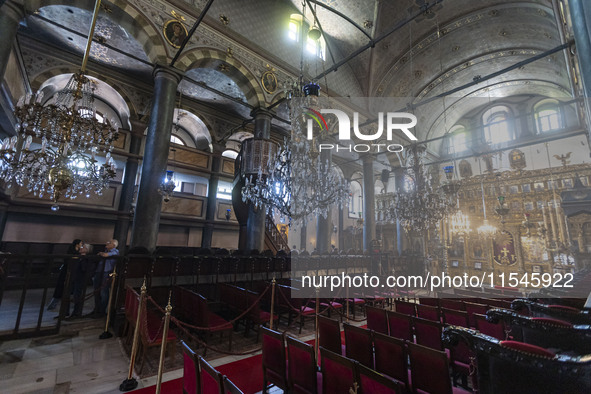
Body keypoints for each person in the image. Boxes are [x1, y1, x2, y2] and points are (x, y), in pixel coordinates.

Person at [47, 239, 82, 311]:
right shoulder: (73, 253)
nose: (82, 245)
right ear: (77, 244)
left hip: (72, 273)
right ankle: (58, 307)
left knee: (68, 290)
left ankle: (65, 308)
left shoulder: (77, 253)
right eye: (81, 243)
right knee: (62, 289)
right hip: (67, 272)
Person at [88, 239, 119, 318]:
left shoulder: (115, 252)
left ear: (114, 245)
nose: (107, 243)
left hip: (106, 273)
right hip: (99, 272)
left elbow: (106, 255)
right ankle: (96, 309)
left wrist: (102, 254)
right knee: (96, 291)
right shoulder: (105, 251)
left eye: (109, 242)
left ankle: (102, 311)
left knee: (104, 292)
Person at [68, 243, 93, 318]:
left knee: (77, 295)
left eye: (83, 247)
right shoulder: (78, 257)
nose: (81, 248)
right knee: (70, 294)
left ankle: (76, 312)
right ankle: (67, 312)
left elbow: (85, 269)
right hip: (74, 278)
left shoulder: (86, 259)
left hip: (80, 279)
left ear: (87, 250)